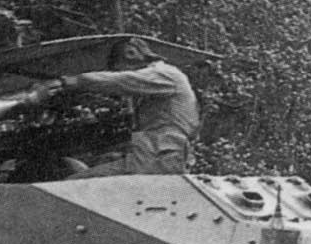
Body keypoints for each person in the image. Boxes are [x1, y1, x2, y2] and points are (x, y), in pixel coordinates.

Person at [41, 37, 200, 176]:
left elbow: (119, 81)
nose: (120, 72)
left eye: (118, 68)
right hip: (156, 153)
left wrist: (70, 81)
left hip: (158, 154)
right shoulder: (158, 84)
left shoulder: (164, 74)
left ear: (131, 54)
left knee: (76, 184)